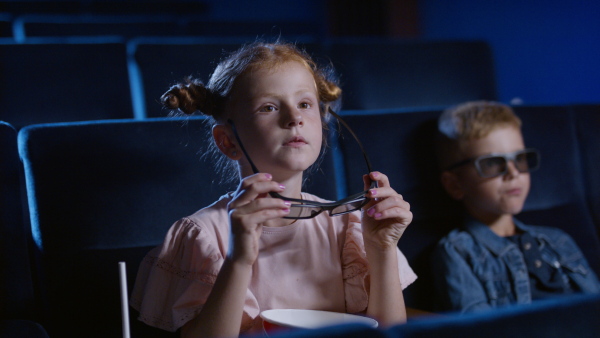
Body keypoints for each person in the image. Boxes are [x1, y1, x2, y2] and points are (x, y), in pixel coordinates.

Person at [130, 41, 417, 337]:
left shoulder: (349, 226)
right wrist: (238, 260)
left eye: (305, 104)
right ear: (227, 140)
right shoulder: (202, 235)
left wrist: (381, 248)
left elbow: (388, 333)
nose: (295, 118)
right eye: (269, 107)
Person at [431, 101, 600, 313]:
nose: (513, 173)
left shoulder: (557, 239)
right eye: (492, 163)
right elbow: (478, 328)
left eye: (520, 159)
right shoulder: (458, 251)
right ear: (455, 184)